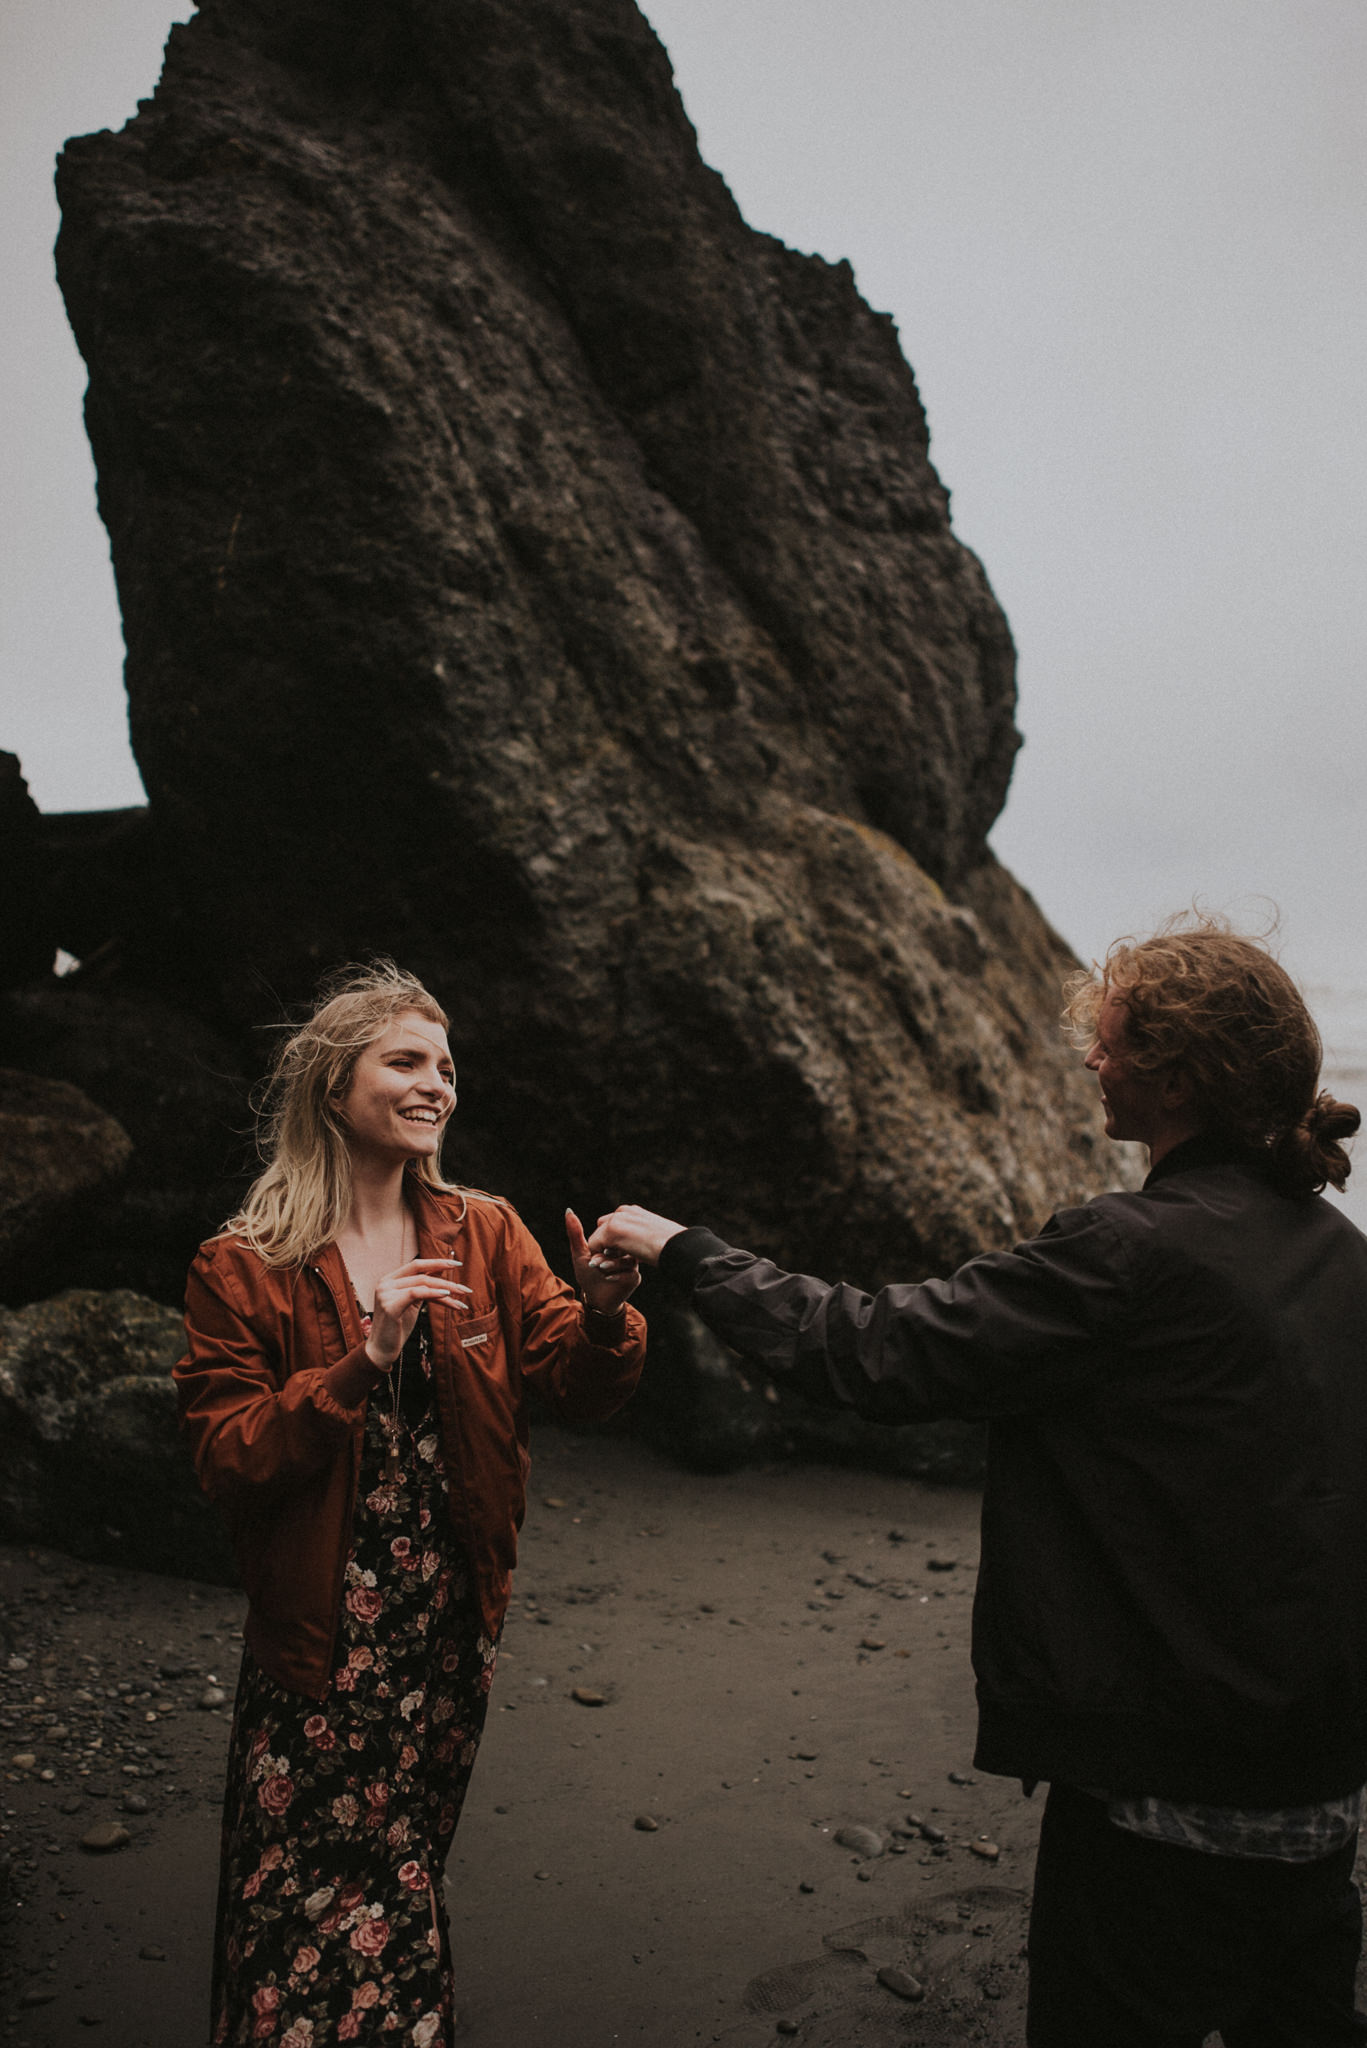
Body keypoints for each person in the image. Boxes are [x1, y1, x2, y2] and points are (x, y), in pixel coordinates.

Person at [588, 916, 1367, 2047]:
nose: (1090, 1060)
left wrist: (687, 1252)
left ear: (1176, 1070)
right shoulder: (1342, 1255)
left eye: (1110, 1044)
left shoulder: (1127, 1250)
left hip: (1161, 1792)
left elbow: (876, 1349)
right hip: (1320, 1782)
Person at [175, 961, 644, 2047]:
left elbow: (570, 1378)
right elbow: (224, 1452)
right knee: (296, 1889)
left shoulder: (483, 1232)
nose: (437, 1082)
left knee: (401, 1856)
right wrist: (362, 1355)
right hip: (318, 1630)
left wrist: (607, 1313)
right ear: (333, 1087)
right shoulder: (242, 1265)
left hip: (446, 1622)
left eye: (445, 1064)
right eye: (406, 1060)